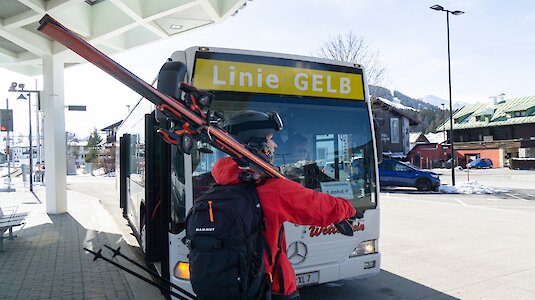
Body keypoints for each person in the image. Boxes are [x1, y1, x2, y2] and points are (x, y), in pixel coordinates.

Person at [212, 110, 356, 299]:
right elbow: (319, 207)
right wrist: (349, 209)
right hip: (272, 285)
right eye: (271, 139)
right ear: (260, 144)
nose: (276, 144)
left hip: (236, 281)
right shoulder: (273, 189)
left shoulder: (221, 180)